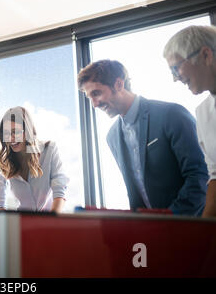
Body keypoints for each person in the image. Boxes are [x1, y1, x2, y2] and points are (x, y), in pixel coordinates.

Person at [77, 59, 208, 215]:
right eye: (89, 97)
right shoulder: (112, 137)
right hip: (153, 231)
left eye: (96, 93)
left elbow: (199, 176)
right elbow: (137, 193)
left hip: (193, 224)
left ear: (118, 84)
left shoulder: (172, 114)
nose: (94, 104)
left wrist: (171, 219)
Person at [163, 25, 216, 217]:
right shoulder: (202, 113)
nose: (176, 78)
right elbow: (215, 178)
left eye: (176, 68)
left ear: (205, 55)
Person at [0, 106, 68, 213]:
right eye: (7, 133)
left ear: (28, 131)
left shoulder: (49, 150)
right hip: (21, 224)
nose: (11, 138)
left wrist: (52, 221)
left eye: (16, 132)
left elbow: (59, 191)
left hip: (51, 219)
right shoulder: (2, 162)